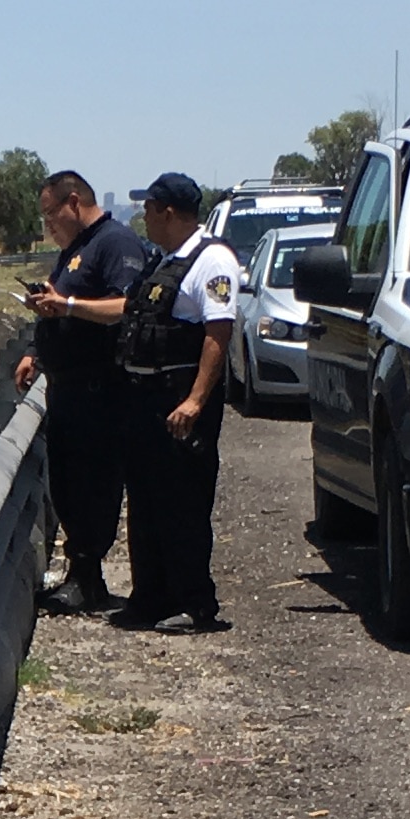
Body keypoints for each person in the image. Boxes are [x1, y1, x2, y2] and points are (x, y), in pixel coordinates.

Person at [108, 172, 238, 632]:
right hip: (145, 402)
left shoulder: (211, 260)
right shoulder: (163, 261)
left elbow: (217, 334)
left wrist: (197, 400)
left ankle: (194, 601)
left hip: (180, 402)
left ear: (167, 211)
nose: (142, 217)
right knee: (145, 502)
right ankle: (151, 597)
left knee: (182, 504)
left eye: (147, 208)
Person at [21, 170, 151, 615]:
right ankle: (81, 573)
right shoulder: (75, 251)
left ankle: (89, 578)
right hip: (68, 389)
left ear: (73, 202)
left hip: (99, 392)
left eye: (49, 214)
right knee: (69, 486)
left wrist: (68, 306)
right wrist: (36, 351)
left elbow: (126, 306)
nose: (48, 225)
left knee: (93, 487)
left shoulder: (115, 243)